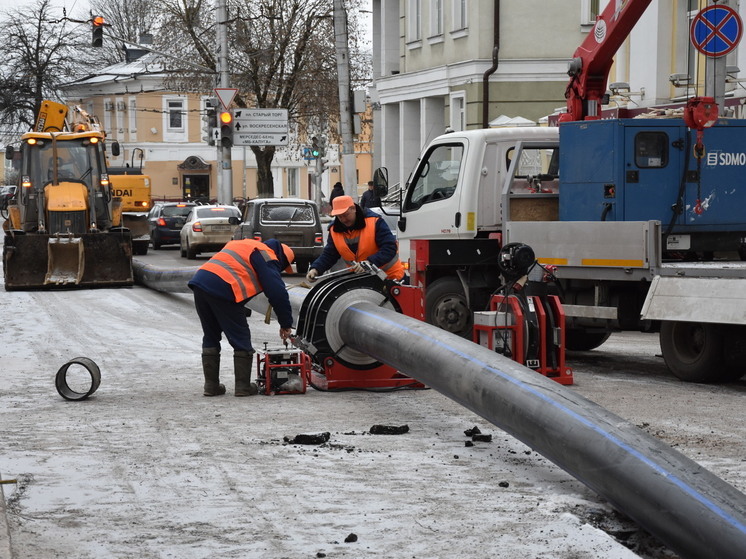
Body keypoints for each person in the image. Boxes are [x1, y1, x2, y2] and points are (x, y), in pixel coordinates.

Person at [188, 238, 295, 397]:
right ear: (281, 257)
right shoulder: (267, 255)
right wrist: (286, 323)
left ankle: (211, 386)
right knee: (241, 337)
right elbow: (277, 292)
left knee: (211, 335)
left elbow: (235, 270)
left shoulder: (244, 245)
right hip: (223, 288)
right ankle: (243, 386)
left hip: (200, 283)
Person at [306, 195, 406, 283]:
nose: (343, 219)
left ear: (353, 209)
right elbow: (329, 255)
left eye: (346, 215)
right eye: (339, 217)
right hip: (362, 280)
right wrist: (316, 269)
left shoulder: (375, 222)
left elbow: (389, 248)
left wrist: (369, 262)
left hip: (390, 277)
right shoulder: (334, 230)